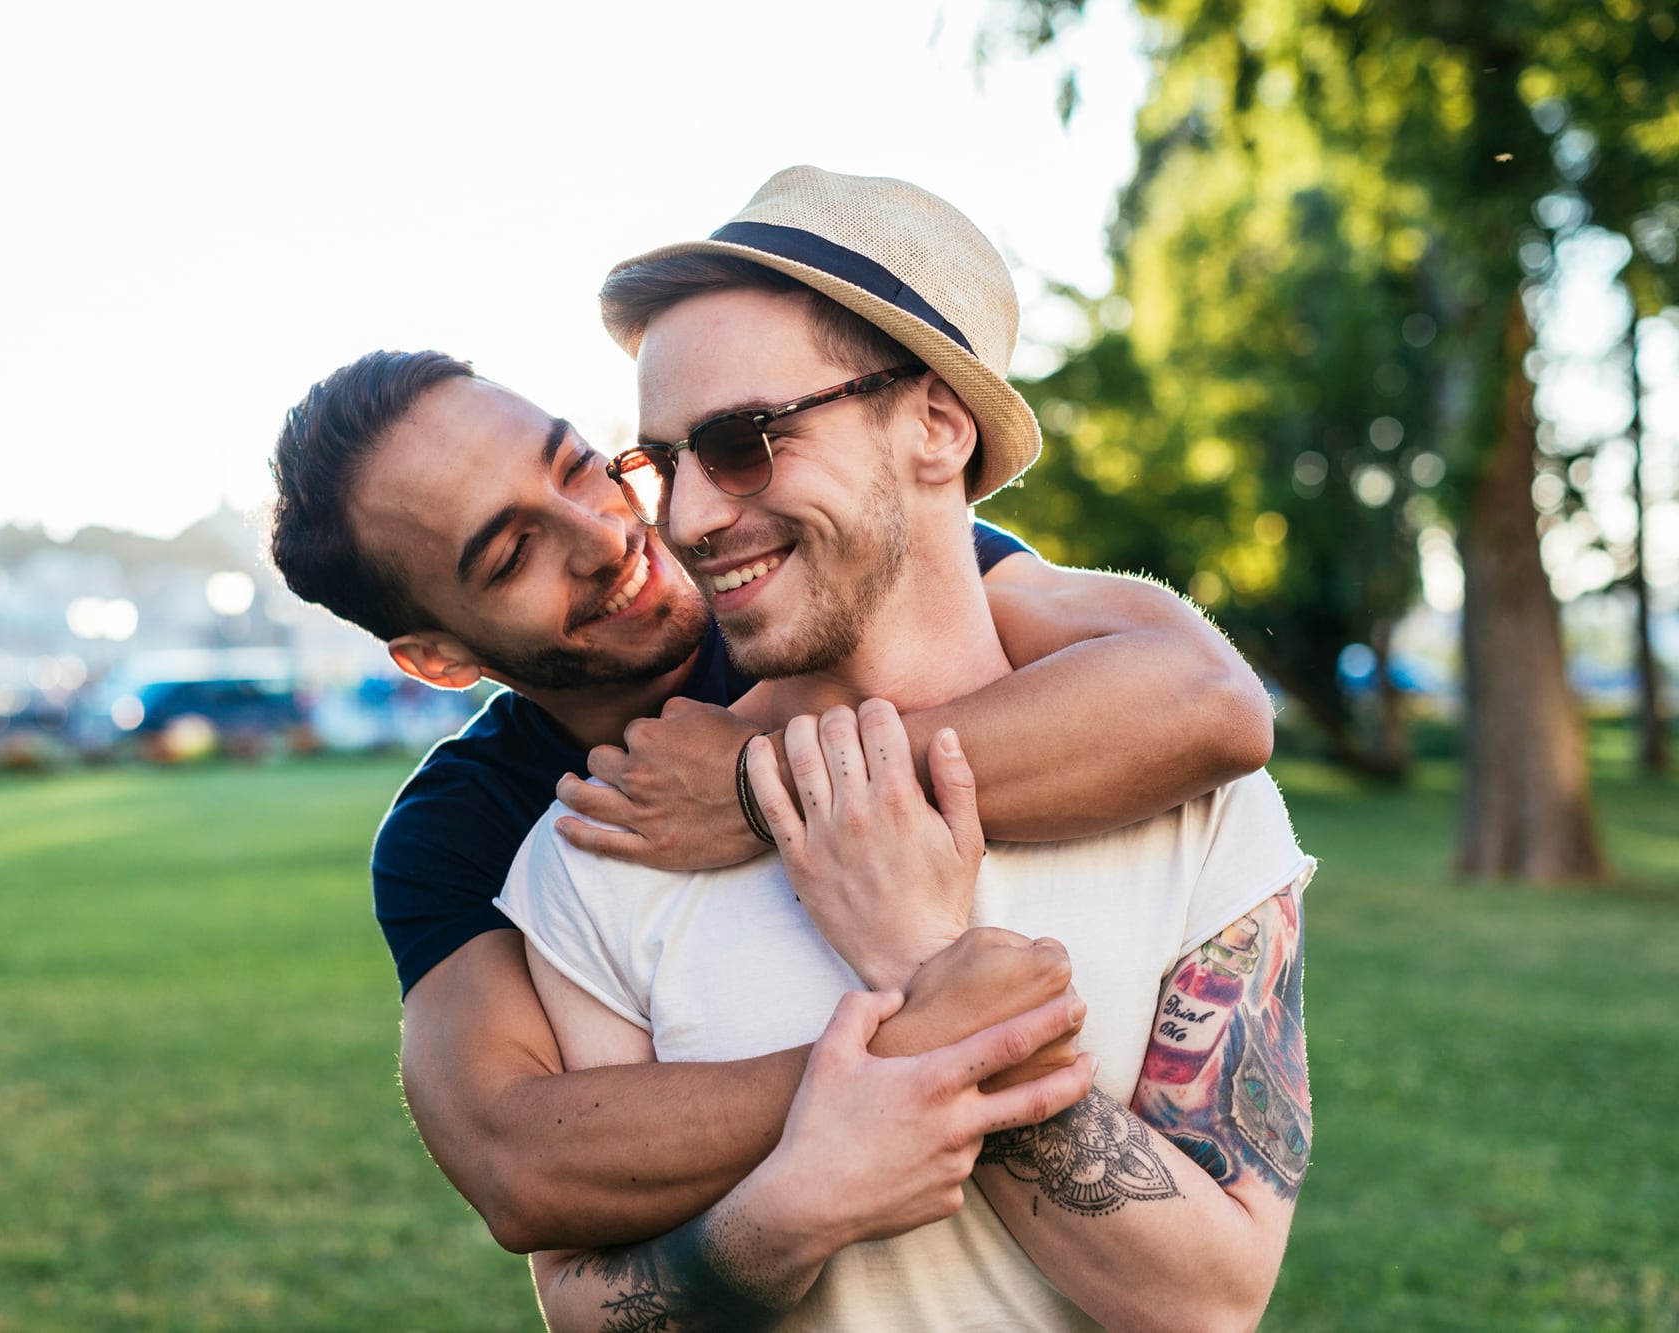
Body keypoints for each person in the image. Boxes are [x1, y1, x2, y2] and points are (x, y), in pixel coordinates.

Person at [265, 302, 1277, 1256]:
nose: (607, 536)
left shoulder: (811, 567)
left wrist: (755, 790)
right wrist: (903, 1055)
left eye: (577, 469)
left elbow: (1204, 700)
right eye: (512, 553)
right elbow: (515, 1158)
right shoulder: (460, 824)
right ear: (439, 657)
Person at [494, 165, 1315, 1329]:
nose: (685, 518)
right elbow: (586, 1308)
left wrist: (920, 959)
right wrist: (788, 1215)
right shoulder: (607, 842)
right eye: (661, 462)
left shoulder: (1204, 815)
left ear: (935, 424)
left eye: (741, 441)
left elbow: (1207, 1302)